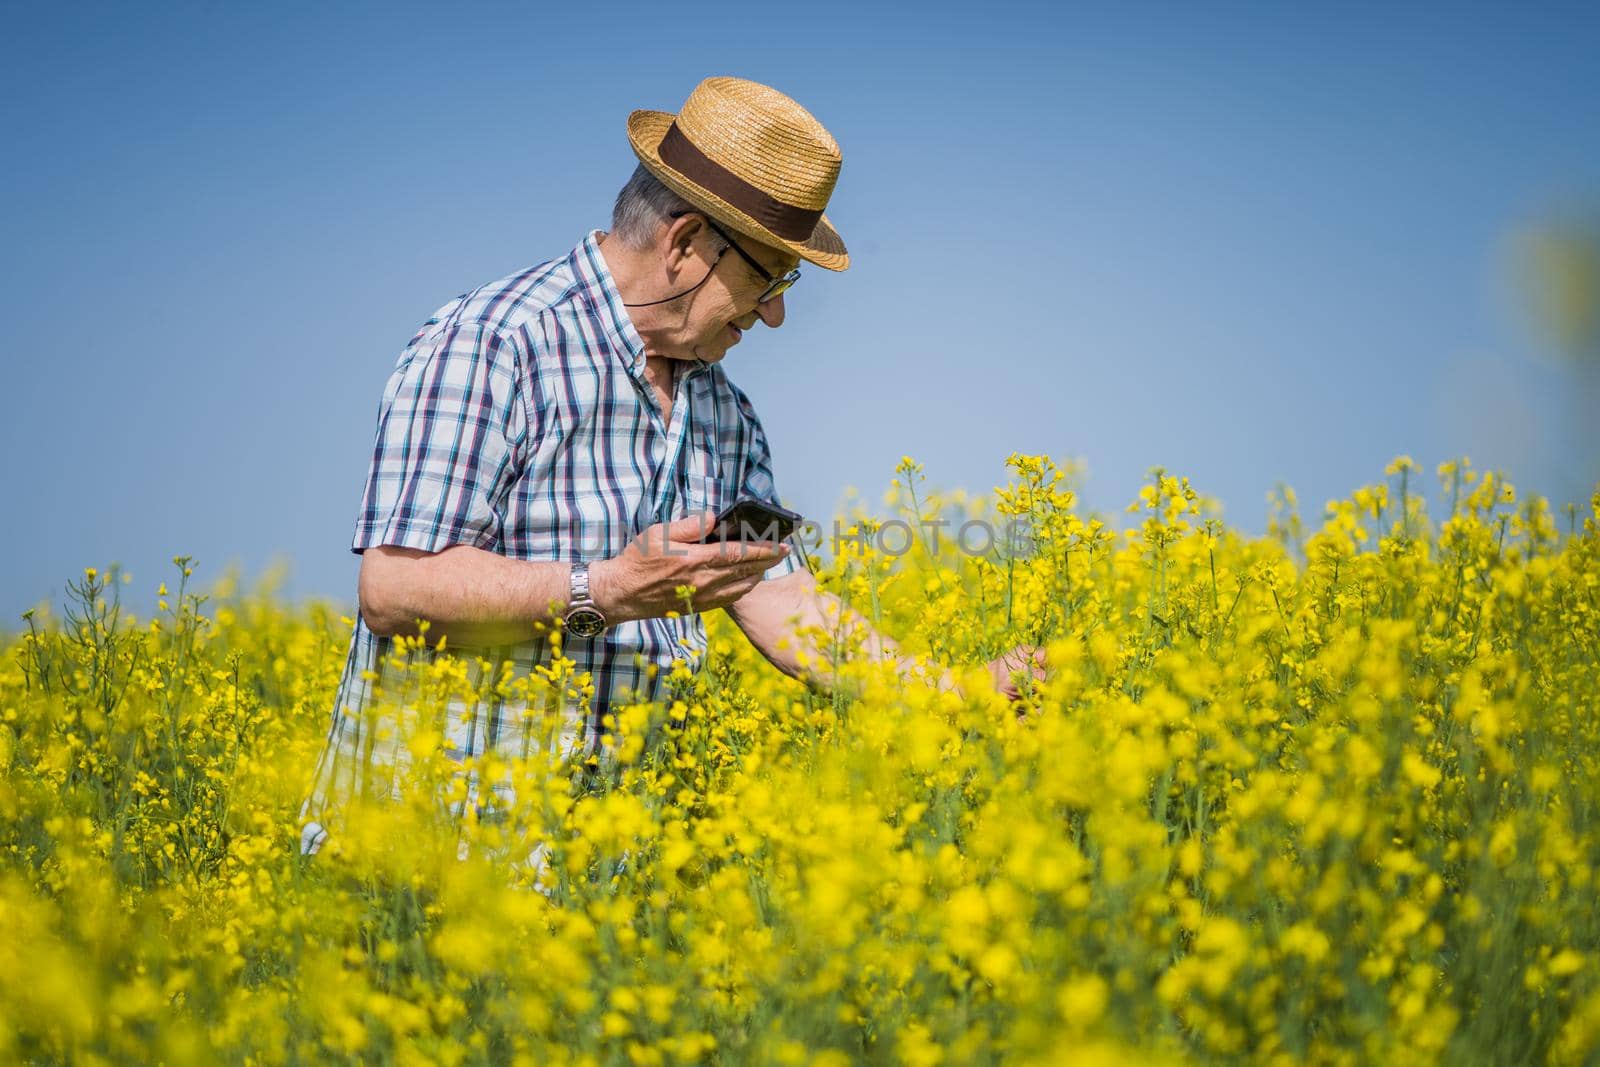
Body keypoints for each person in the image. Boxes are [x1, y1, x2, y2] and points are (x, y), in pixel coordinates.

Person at [298, 76, 1046, 858]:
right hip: (426, 865)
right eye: (768, 278)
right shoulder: (494, 343)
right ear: (686, 244)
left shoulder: (723, 412)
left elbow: (779, 596)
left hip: (603, 889)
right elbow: (395, 586)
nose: (776, 313)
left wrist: (956, 697)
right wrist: (608, 590)